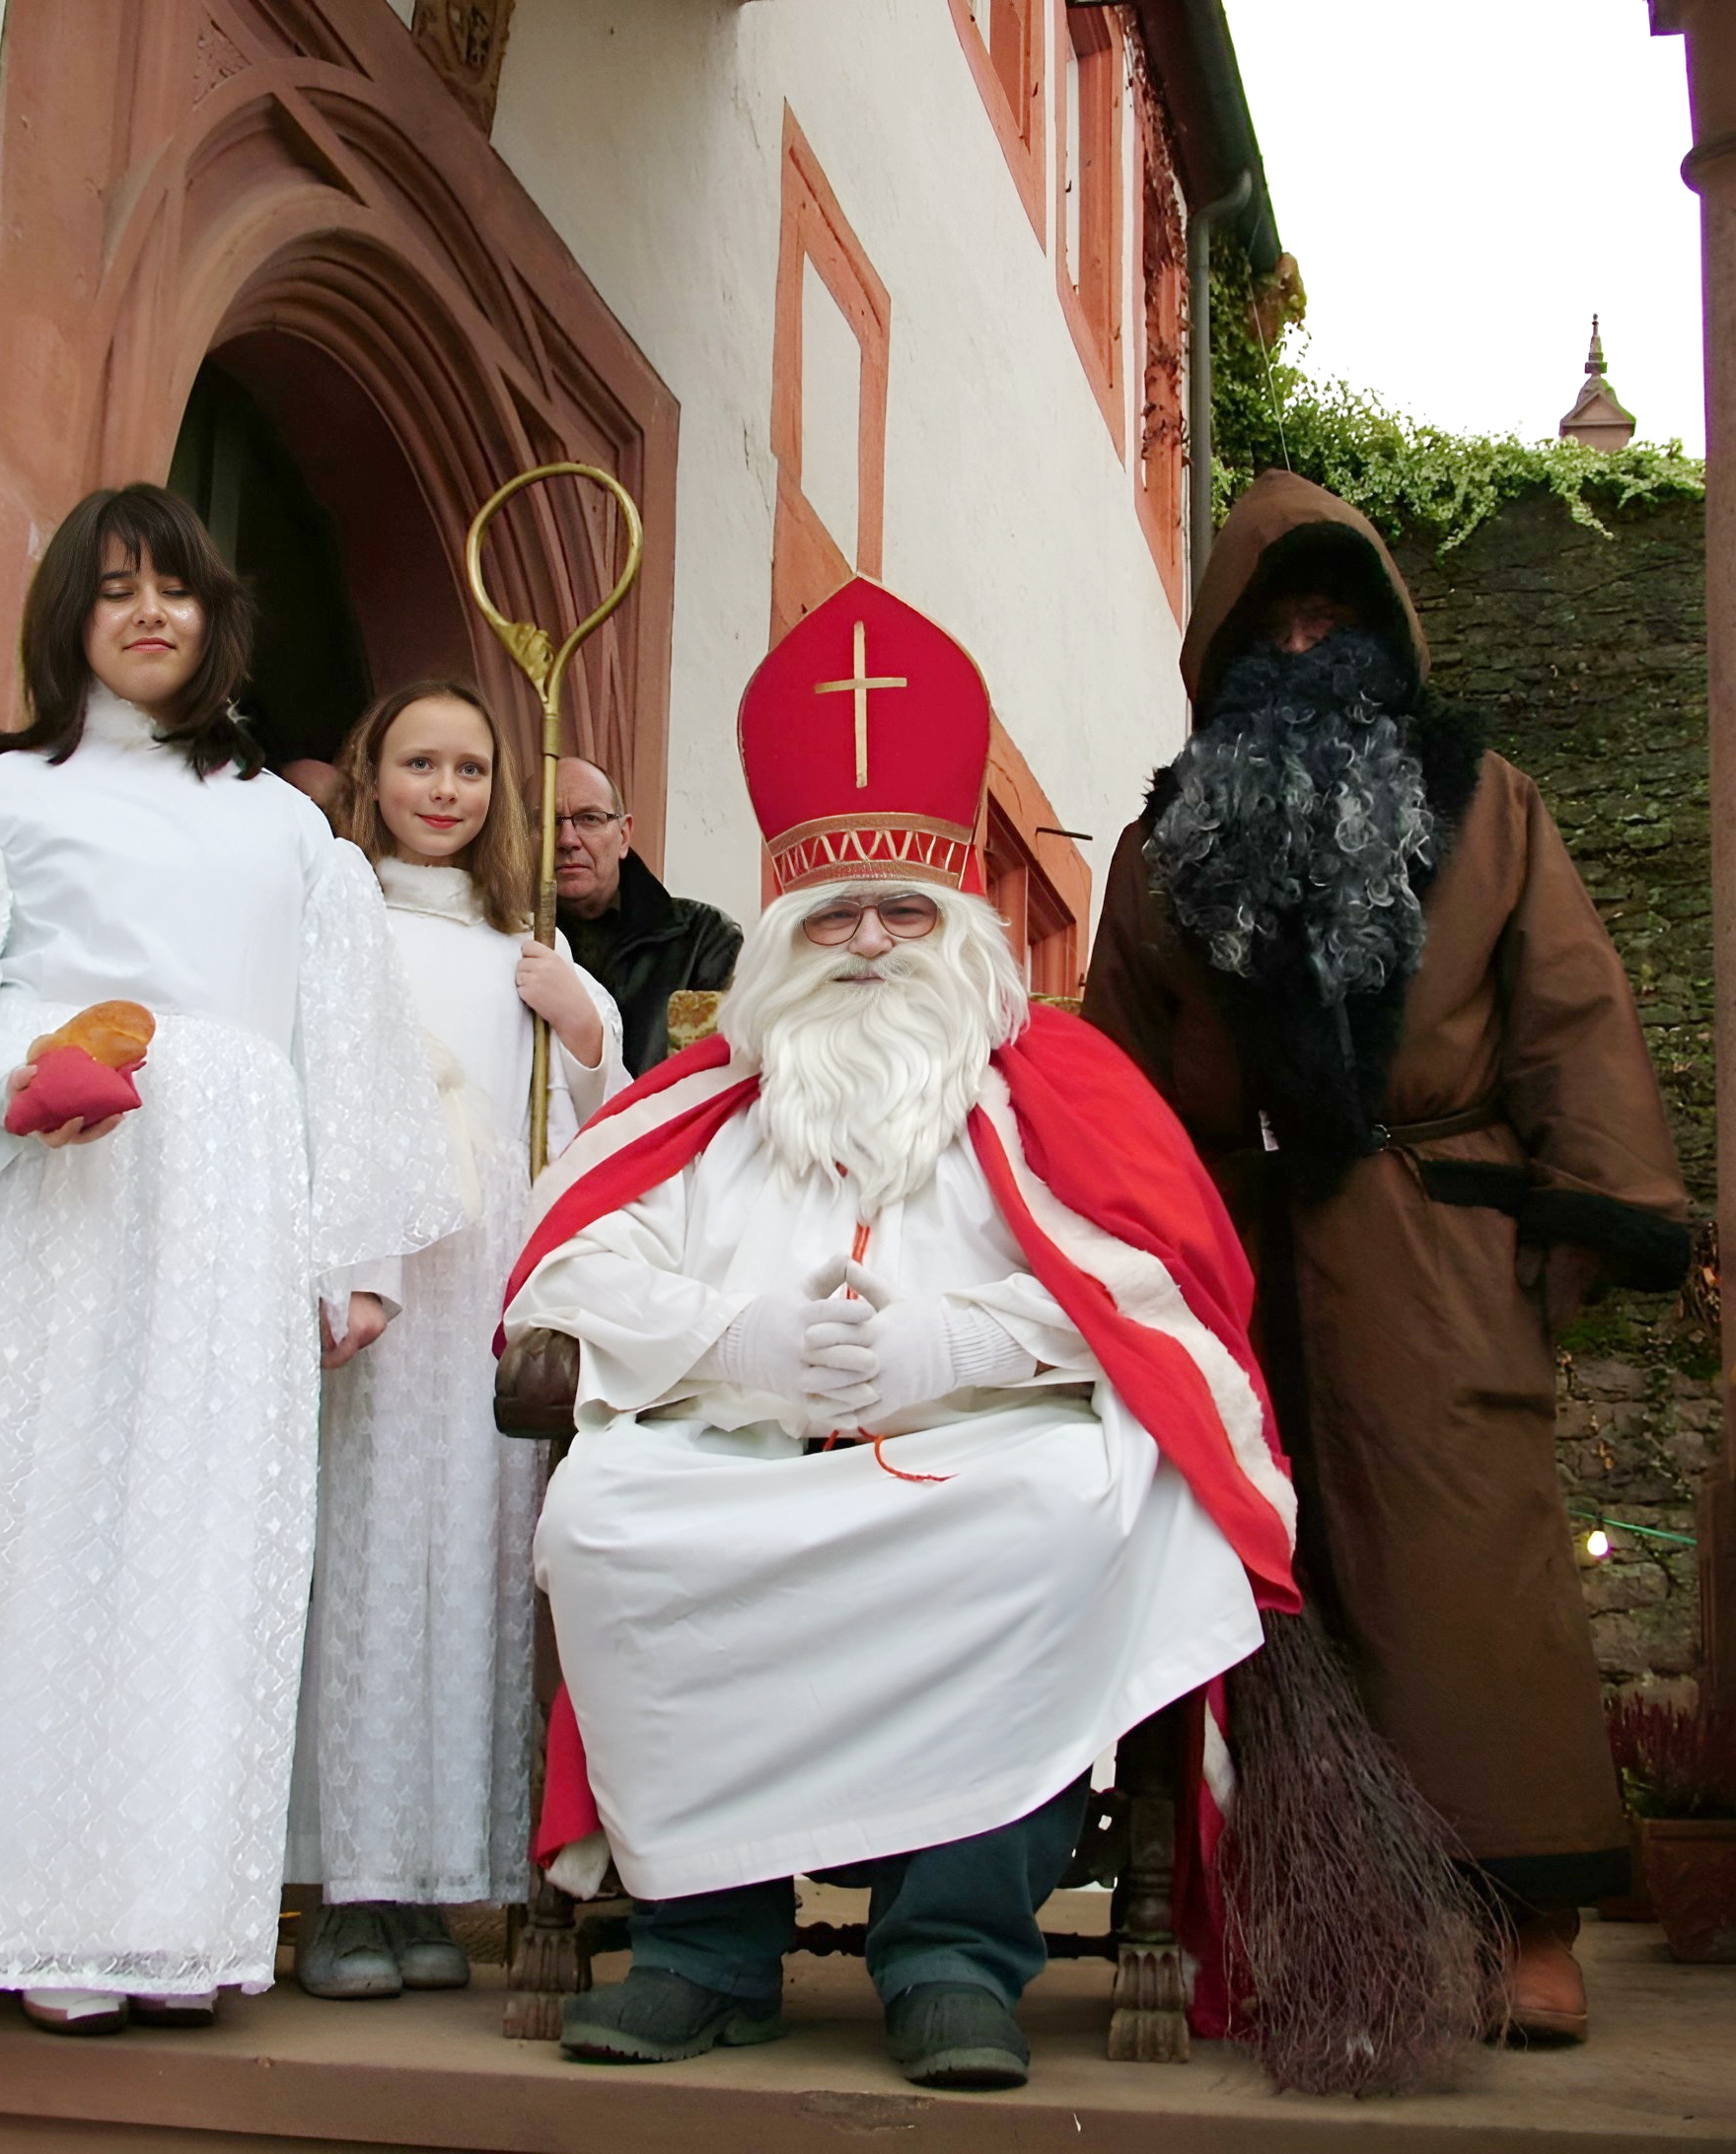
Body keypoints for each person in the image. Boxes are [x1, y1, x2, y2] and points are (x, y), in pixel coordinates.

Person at [496, 581, 1297, 2091]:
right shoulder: (705, 1109)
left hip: (978, 1453)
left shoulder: (1055, 1084)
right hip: (733, 1446)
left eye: (904, 910)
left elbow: (1159, 1291)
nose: (868, 940)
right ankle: (700, 1947)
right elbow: (570, 1273)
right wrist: (740, 1345)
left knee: (1067, 1510)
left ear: (958, 927)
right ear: (788, 936)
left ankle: (950, 1955)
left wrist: (955, 1347)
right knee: (605, 1520)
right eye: (834, 915)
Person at [0, 483, 460, 2036]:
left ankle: (164, 1916)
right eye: (114, 590)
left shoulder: (282, 827)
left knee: (201, 1543)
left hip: (228, 1207)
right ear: (71, 618)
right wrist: (11, 1075)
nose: (148, 614)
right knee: (35, 1530)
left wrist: (356, 1249)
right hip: (53, 1205)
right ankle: (27, 1912)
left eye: (174, 587)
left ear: (217, 615)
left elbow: (347, 1045)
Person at [1081, 470, 1695, 2046]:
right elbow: (1117, 1081)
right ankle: (1330, 1916)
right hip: (1235, 1258)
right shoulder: (1161, 849)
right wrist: (1121, 1270)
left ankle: (1526, 1922)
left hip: (1434, 1249)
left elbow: (1570, 1011)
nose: (1303, 646)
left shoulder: (1484, 802)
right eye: (1271, 626)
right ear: (1222, 657)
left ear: (1379, 631)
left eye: (1329, 615)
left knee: (1469, 1578)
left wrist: (1569, 1237)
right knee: (1272, 1588)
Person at [288, 682, 622, 1999]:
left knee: (480, 1576)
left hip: (486, 1283)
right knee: (357, 1569)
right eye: (417, 763)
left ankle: (441, 1886)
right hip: (376, 1284)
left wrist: (577, 1020)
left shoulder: (520, 944)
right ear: (369, 774)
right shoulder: (332, 922)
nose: (443, 789)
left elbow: (597, 1109)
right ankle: (342, 1888)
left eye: (471, 769)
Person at [550, 754, 741, 1069]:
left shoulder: (704, 939)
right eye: (547, 821)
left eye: (590, 819)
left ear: (623, 836)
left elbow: (714, 1084)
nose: (568, 839)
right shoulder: (501, 940)